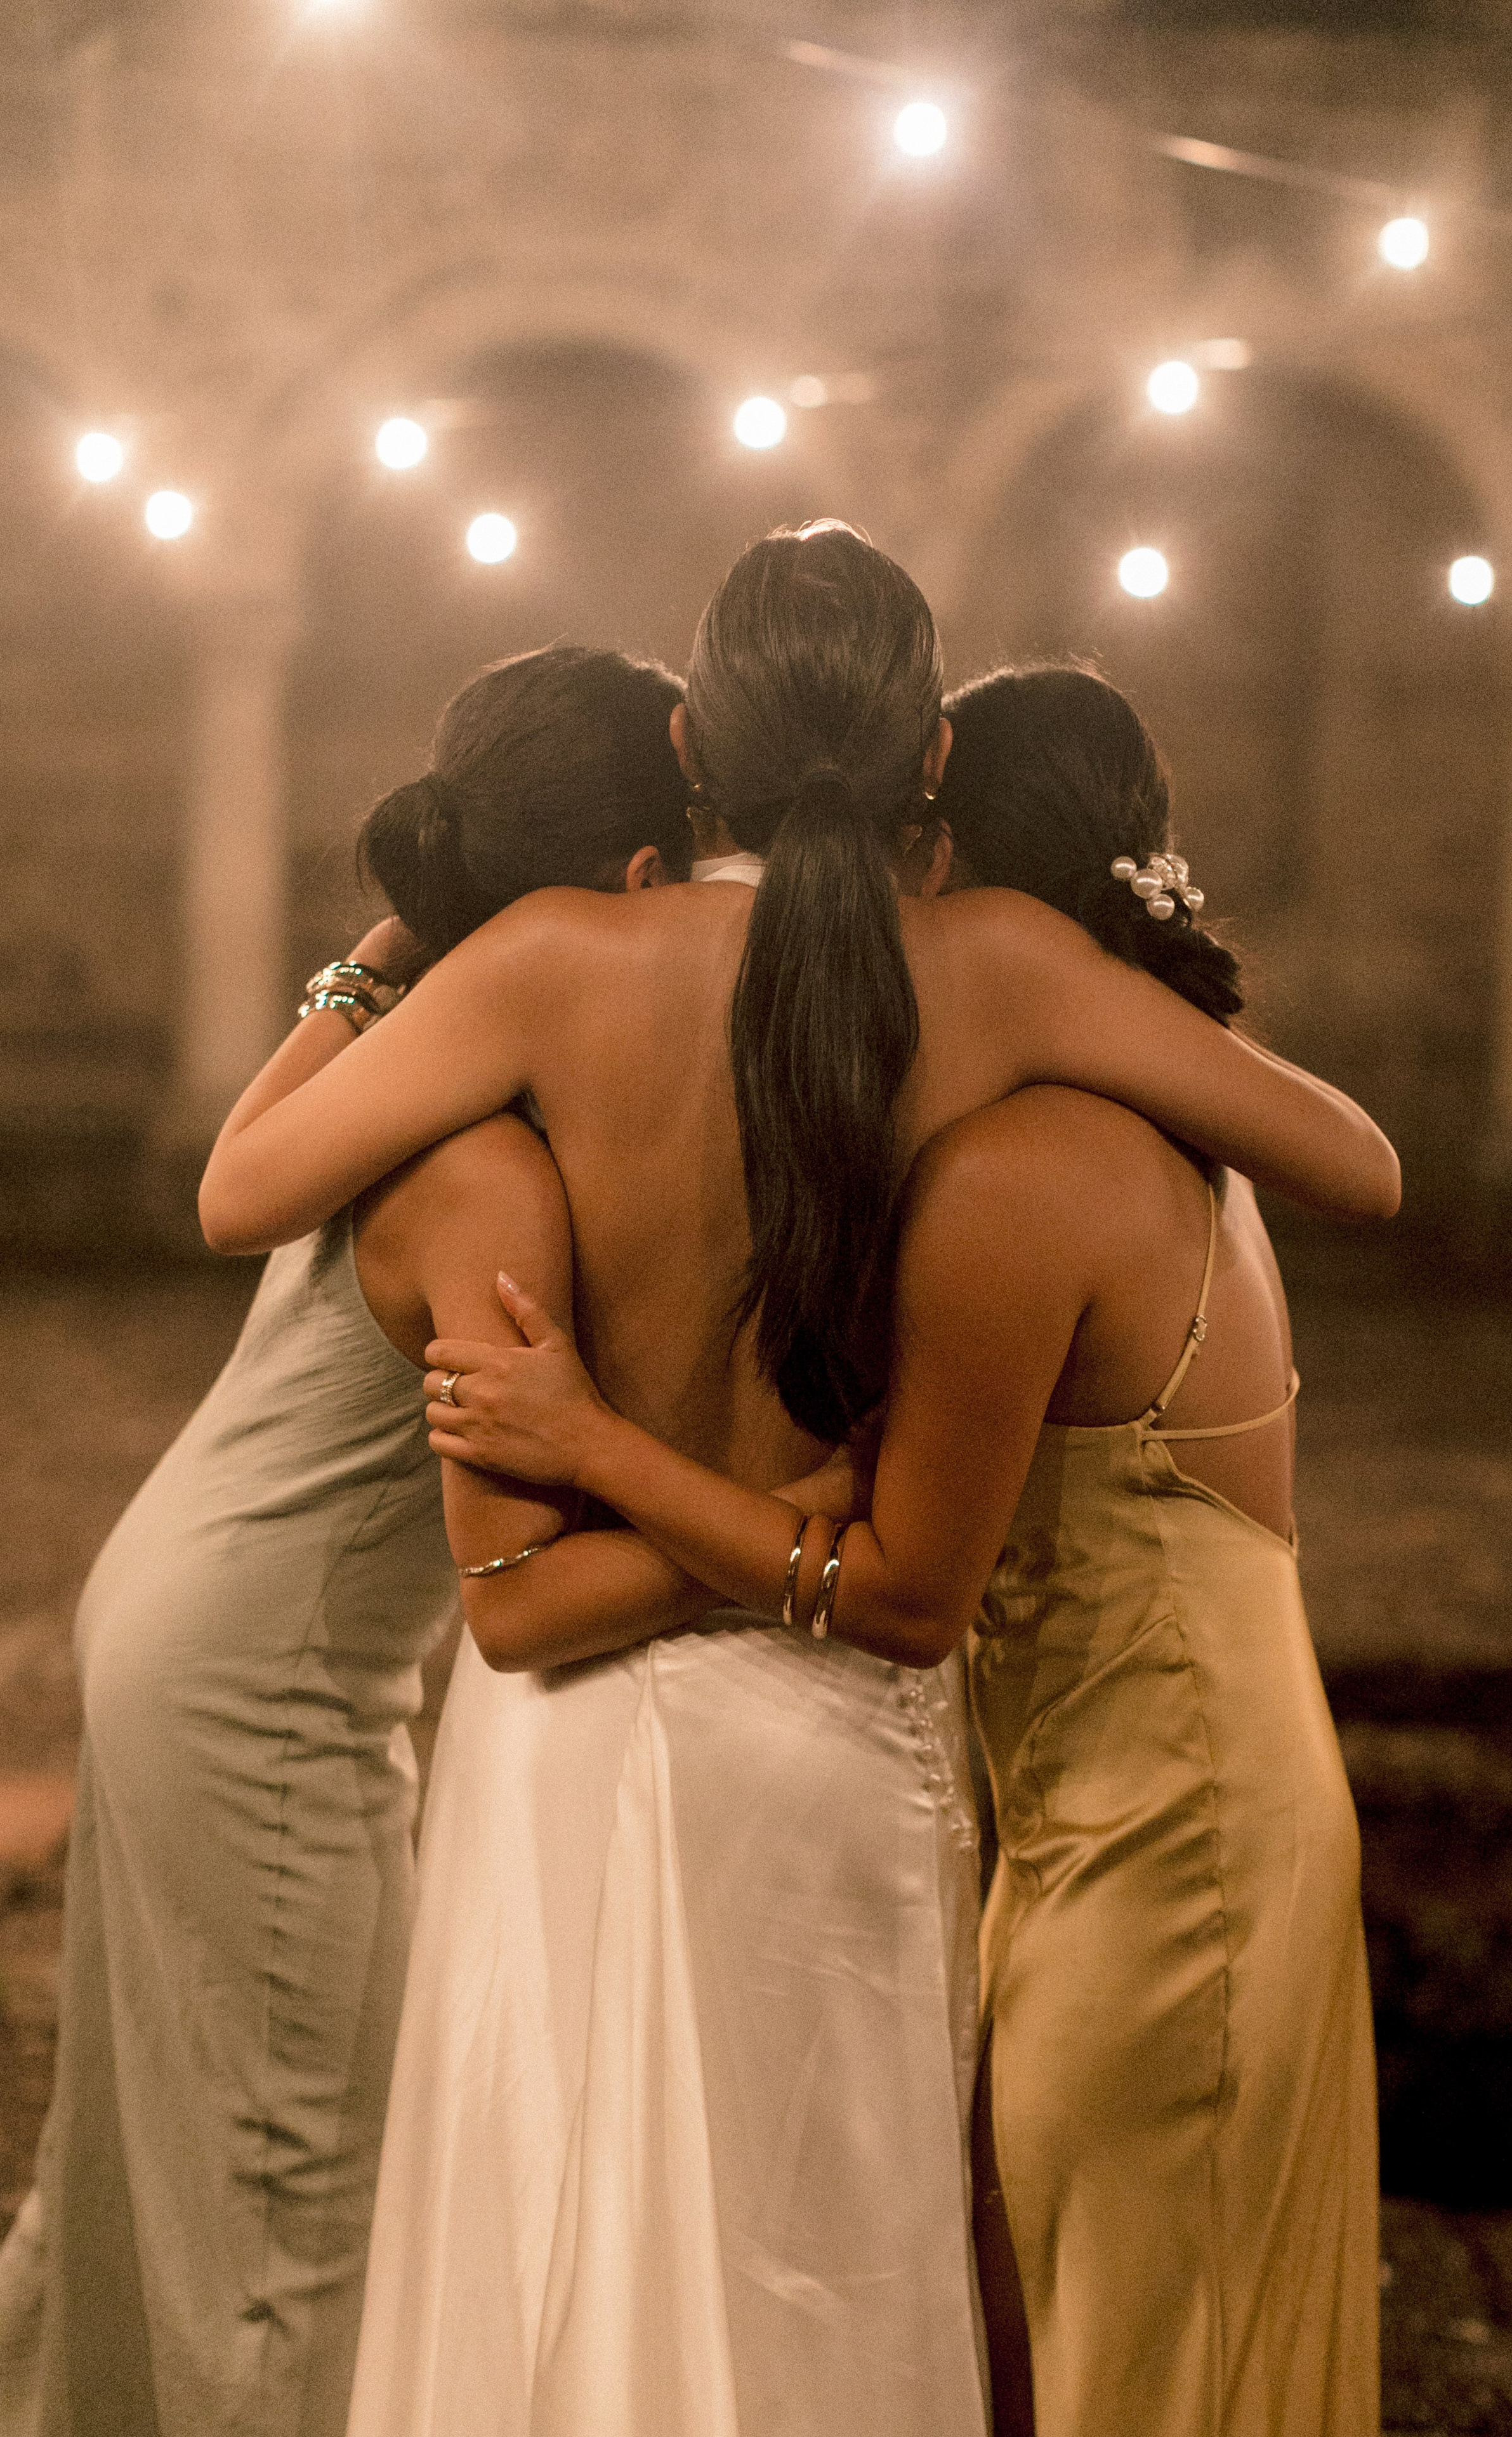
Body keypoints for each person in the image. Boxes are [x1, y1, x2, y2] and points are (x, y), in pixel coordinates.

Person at [417, 662, 1380, 2437]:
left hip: (1165, 1854)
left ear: (953, 863)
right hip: (1180, 1806)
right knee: (1133, 2340)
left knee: (1148, 2368)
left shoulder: (1024, 1176)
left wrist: (593, 1442)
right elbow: (1364, 1168)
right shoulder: (1167, 1135)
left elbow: (911, 1594)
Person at [0, 645, 713, 2437]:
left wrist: (418, 945)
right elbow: (518, 1554)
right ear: (633, 888)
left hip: (189, 1618)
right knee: (300, 2186)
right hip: (259, 1683)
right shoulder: (490, 1158)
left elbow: (231, 1171)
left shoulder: (406, 1067)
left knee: (141, 2146)